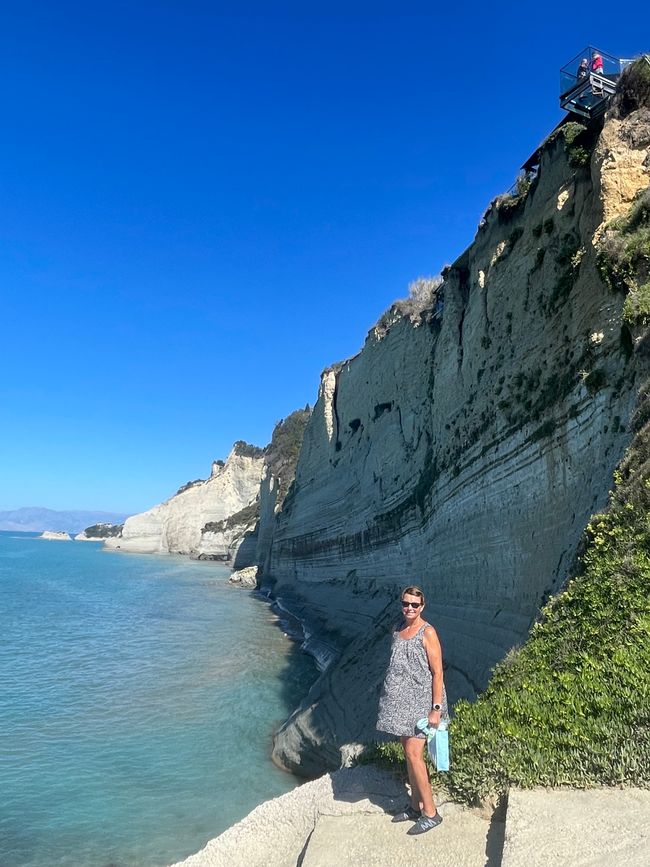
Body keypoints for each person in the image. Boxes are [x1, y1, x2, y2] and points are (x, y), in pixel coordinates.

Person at [376, 585, 449, 835]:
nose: (409, 608)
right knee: (408, 753)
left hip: (422, 702)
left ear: (422, 607)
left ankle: (431, 812)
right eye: (405, 603)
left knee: (415, 754)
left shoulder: (428, 632)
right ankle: (415, 805)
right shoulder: (398, 629)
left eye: (414, 605)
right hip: (399, 703)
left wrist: (436, 709)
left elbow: (438, 672)